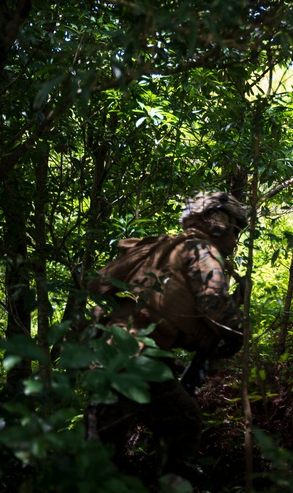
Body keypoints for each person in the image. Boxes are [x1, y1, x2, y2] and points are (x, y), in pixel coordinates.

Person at [87, 191, 248, 476]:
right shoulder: (201, 250)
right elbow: (214, 303)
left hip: (108, 354)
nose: (235, 240)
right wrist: (236, 334)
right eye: (234, 230)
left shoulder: (166, 248)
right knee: (183, 424)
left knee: (100, 448)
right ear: (218, 221)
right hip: (136, 357)